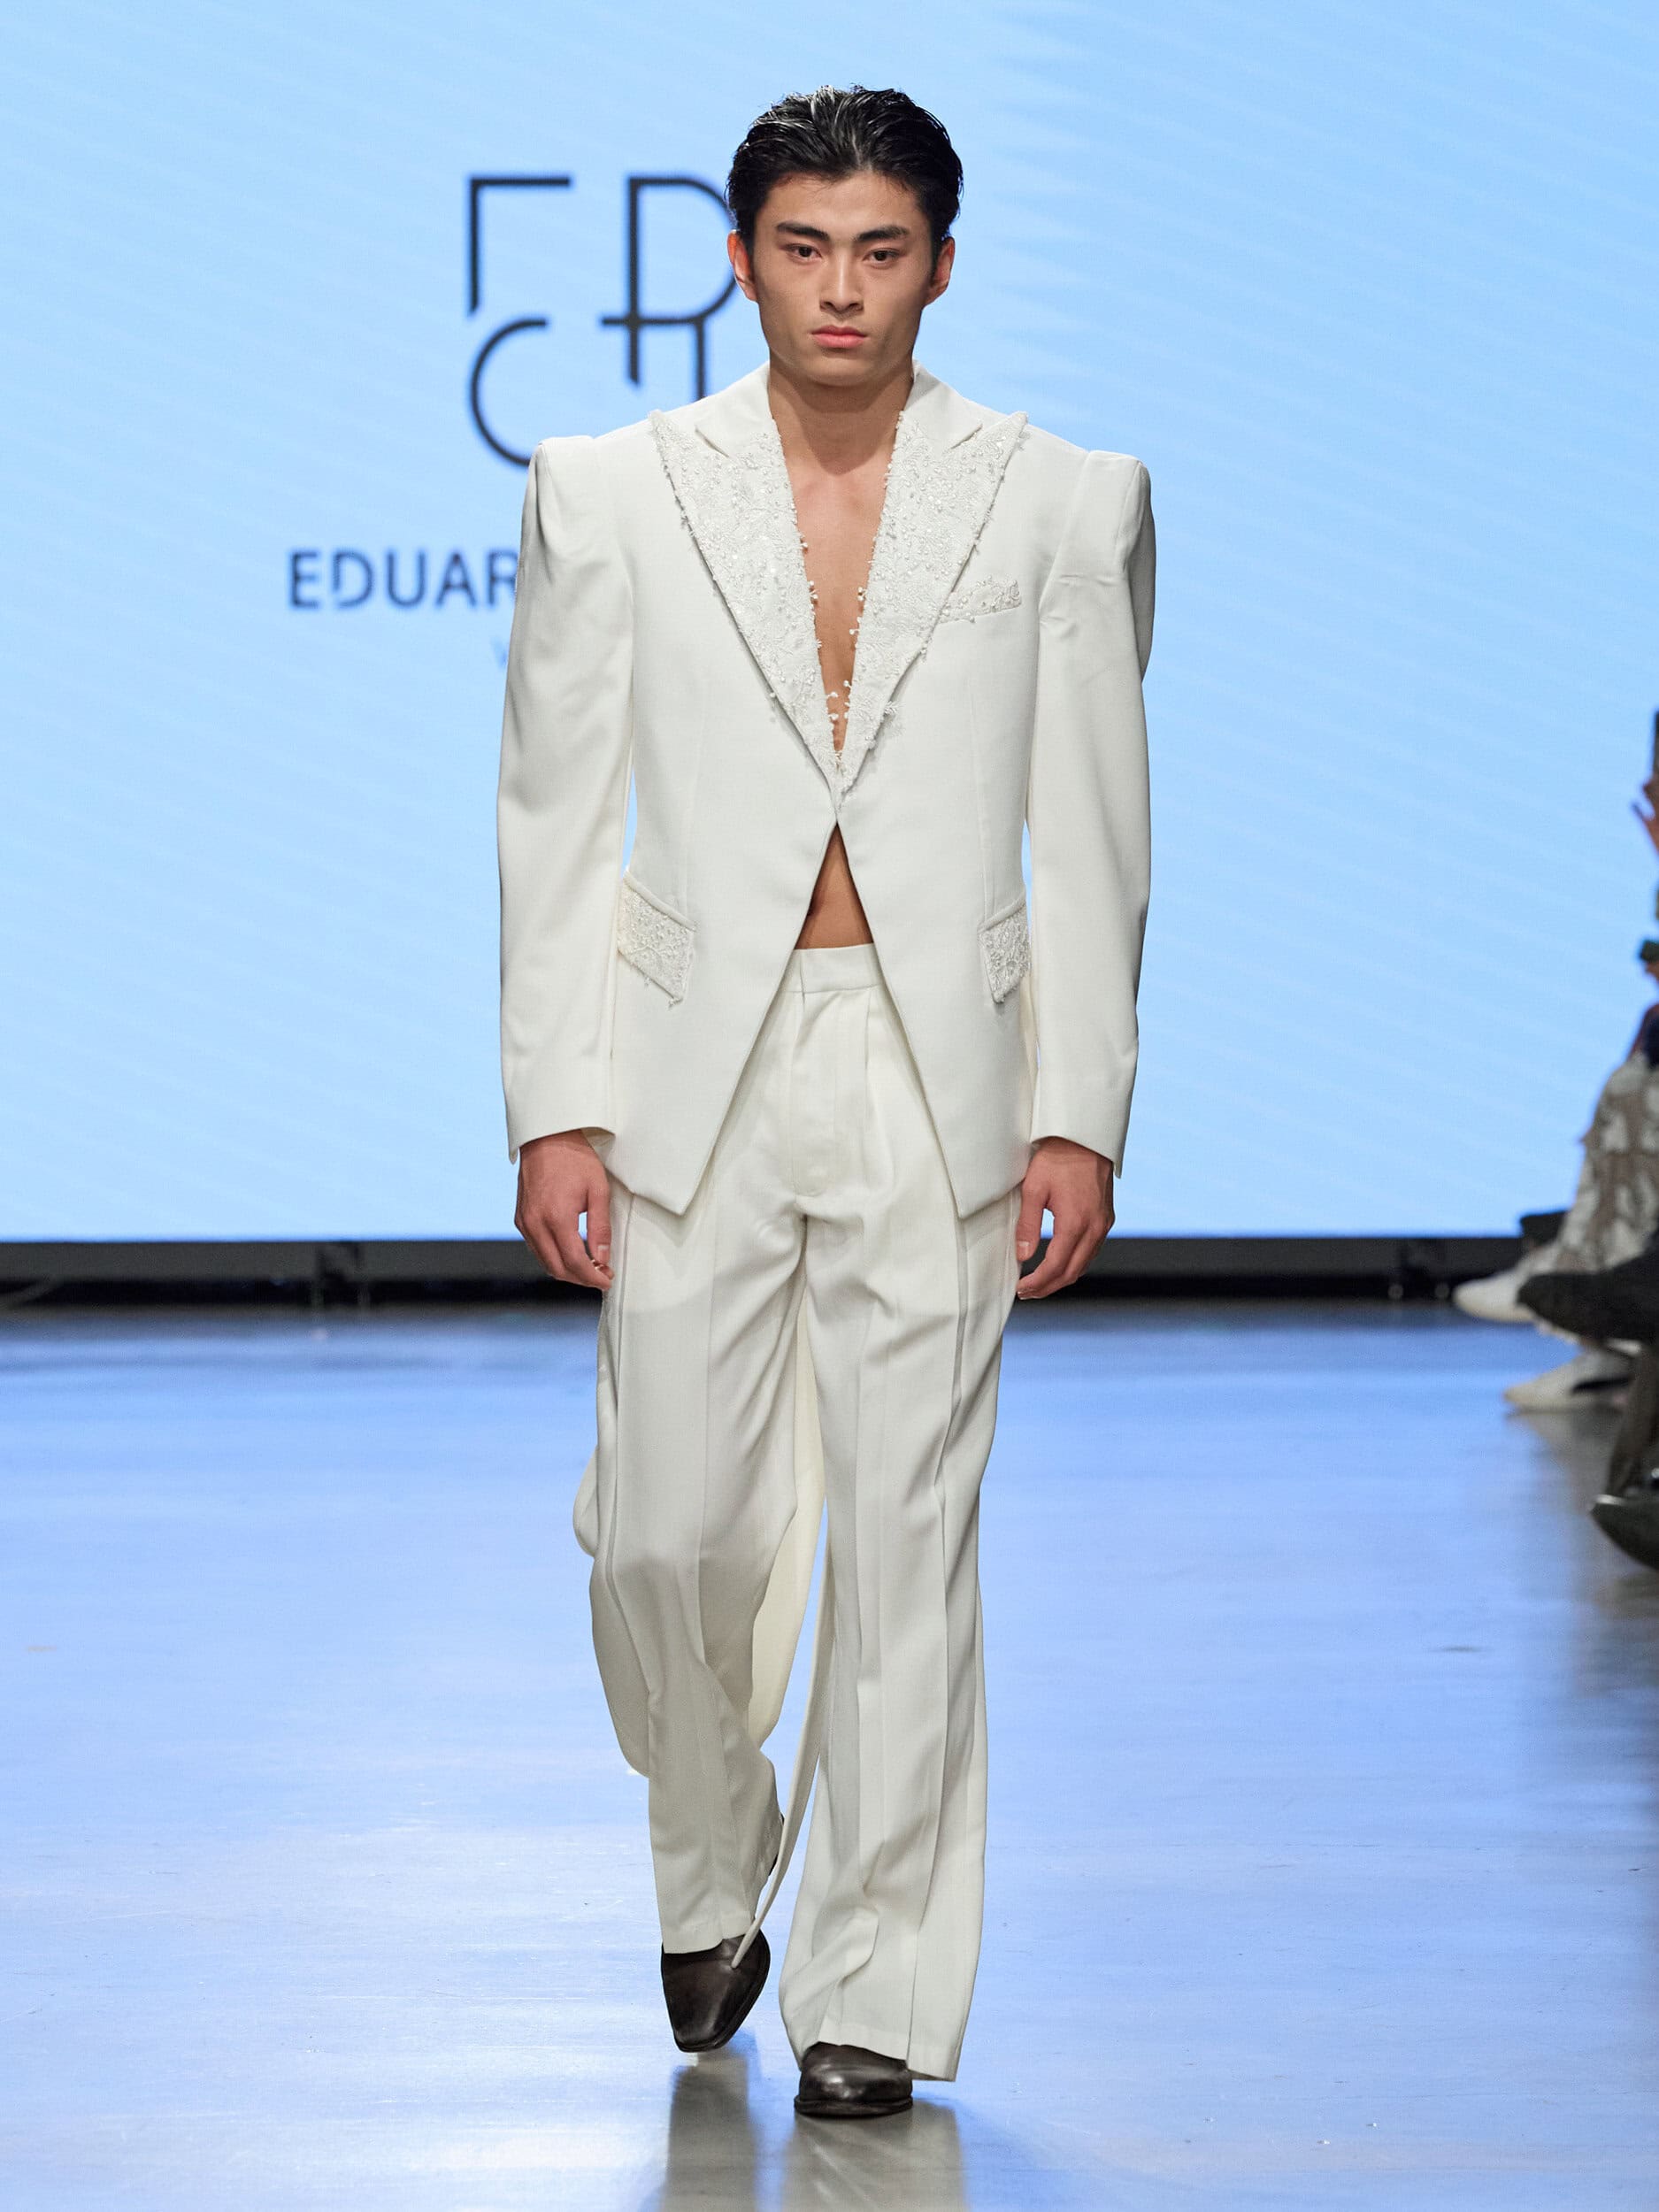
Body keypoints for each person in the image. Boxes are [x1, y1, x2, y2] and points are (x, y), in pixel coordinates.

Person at [496, 85, 1154, 2121]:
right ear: (739, 258)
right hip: (688, 1058)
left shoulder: (1061, 500)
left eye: (878, 250)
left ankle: (870, 1987)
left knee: (908, 1537)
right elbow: (549, 814)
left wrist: (1079, 1108)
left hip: (940, 1060)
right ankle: (709, 1847)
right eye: (802, 248)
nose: (839, 289)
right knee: (664, 1536)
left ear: (939, 263)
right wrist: (552, 1101)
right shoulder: (611, 491)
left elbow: (1094, 827)